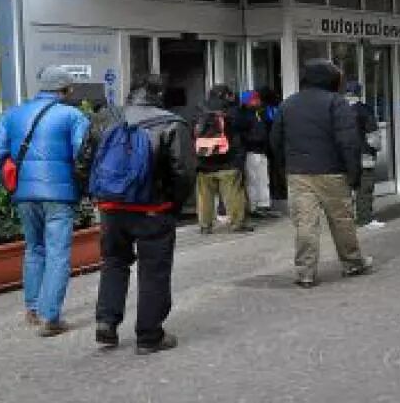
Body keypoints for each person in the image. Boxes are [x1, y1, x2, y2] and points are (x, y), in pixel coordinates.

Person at [77, 74, 194, 355]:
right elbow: (183, 173)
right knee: (153, 270)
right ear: (159, 94)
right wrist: (174, 206)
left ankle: (106, 322)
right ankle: (149, 336)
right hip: (154, 209)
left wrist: (96, 196)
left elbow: (83, 161)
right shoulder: (172, 123)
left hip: (111, 207)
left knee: (113, 262)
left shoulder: (104, 118)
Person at [0, 66, 90, 336]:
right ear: (66, 89)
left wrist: (12, 185)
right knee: (57, 253)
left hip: (24, 193)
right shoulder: (73, 115)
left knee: (34, 248)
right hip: (60, 194)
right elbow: (83, 155)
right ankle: (50, 317)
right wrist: (82, 188)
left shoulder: (11, 115)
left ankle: (33, 309)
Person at [270, 59, 373, 288]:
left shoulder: (288, 104)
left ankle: (305, 273)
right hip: (332, 172)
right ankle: (352, 263)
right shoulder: (336, 103)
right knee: (342, 220)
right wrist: (354, 174)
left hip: (298, 173)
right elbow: (349, 142)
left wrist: (286, 166)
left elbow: (275, 141)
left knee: (305, 224)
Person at [194, 85, 253, 234]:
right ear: (226, 95)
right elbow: (246, 125)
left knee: (204, 196)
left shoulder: (199, 111)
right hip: (228, 160)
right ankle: (237, 223)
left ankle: (205, 225)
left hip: (204, 161)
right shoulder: (231, 111)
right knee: (233, 194)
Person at [344, 81, 384, 229]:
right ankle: (365, 219)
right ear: (359, 93)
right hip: (364, 155)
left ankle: (344, 220)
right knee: (364, 187)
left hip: (344, 158)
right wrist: (377, 148)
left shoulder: (337, 111)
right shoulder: (364, 110)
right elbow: (373, 136)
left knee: (345, 189)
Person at [240, 90, 277, 218]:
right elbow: (242, 134)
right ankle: (253, 206)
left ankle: (263, 205)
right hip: (251, 151)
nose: (259, 101)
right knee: (253, 180)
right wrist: (253, 140)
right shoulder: (244, 115)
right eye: (256, 99)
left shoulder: (259, 113)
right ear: (249, 101)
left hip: (261, 150)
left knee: (263, 179)